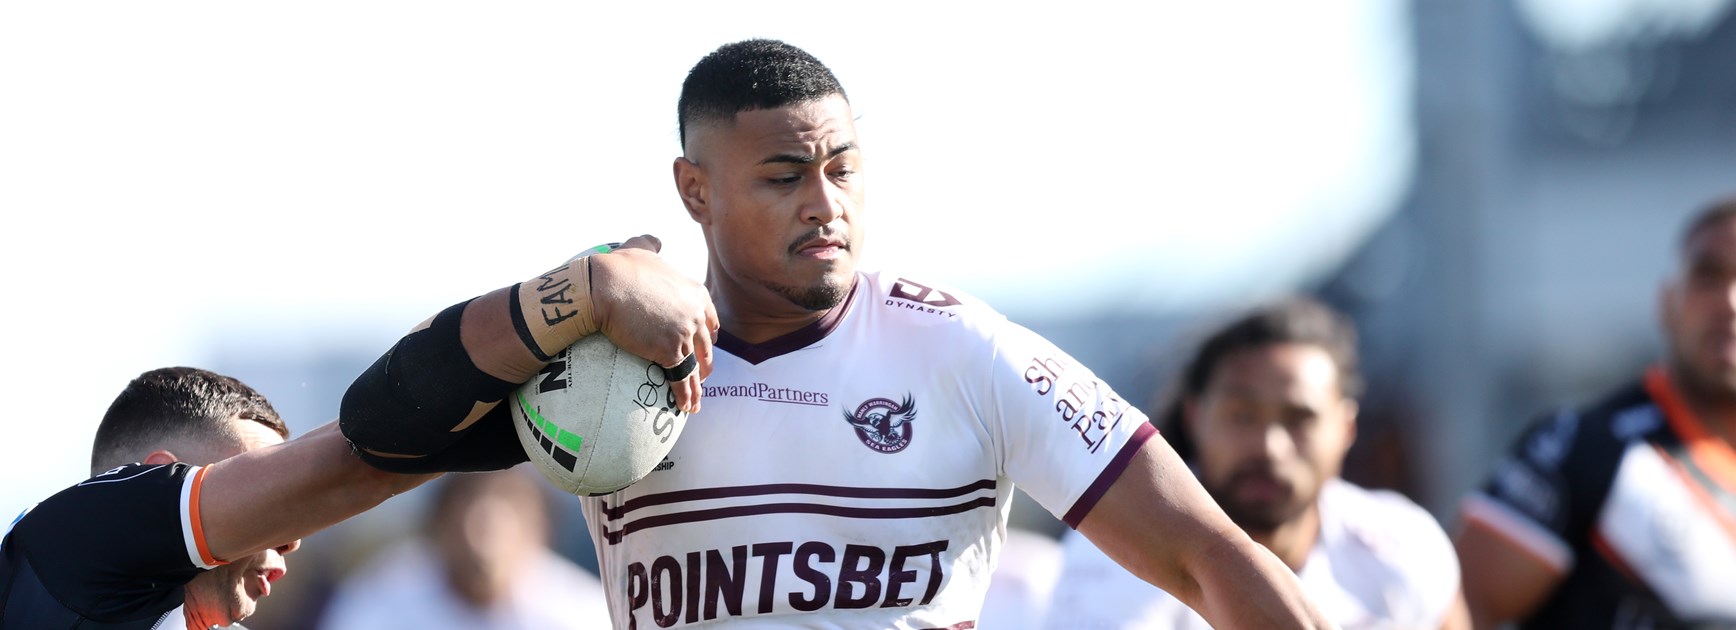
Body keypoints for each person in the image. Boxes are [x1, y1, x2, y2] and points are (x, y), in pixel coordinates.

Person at [340, 39, 1328, 629]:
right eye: (783, 176)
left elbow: (1207, 558)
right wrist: (579, 287)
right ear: (694, 191)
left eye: (843, 169)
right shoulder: (604, 367)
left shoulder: (965, 352)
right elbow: (378, 426)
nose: (826, 204)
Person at [1043, 299, 1471, 629]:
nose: (1269, 447)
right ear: (1195, 419)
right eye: (1242, 415)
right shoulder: (1118, 554)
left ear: (1346, 428)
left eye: (1300, 418)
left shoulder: (1405, 547)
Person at [1455, 196, 1736, 627]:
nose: (1730, 301)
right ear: (1667, 304)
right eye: (1708, 277)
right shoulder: (1582, 446)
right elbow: (1454, 611)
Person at [0, 367, 423, 629]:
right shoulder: (71, 542)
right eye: (263, 486)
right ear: (156, 479)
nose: (293, 539)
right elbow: (354, 472)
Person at [317, 469, 611, 629]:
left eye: (508, 501)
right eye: (467, 502)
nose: (485, 526)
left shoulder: (581, 612)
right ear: (438, 522)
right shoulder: (381, 596)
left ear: (540, 527)